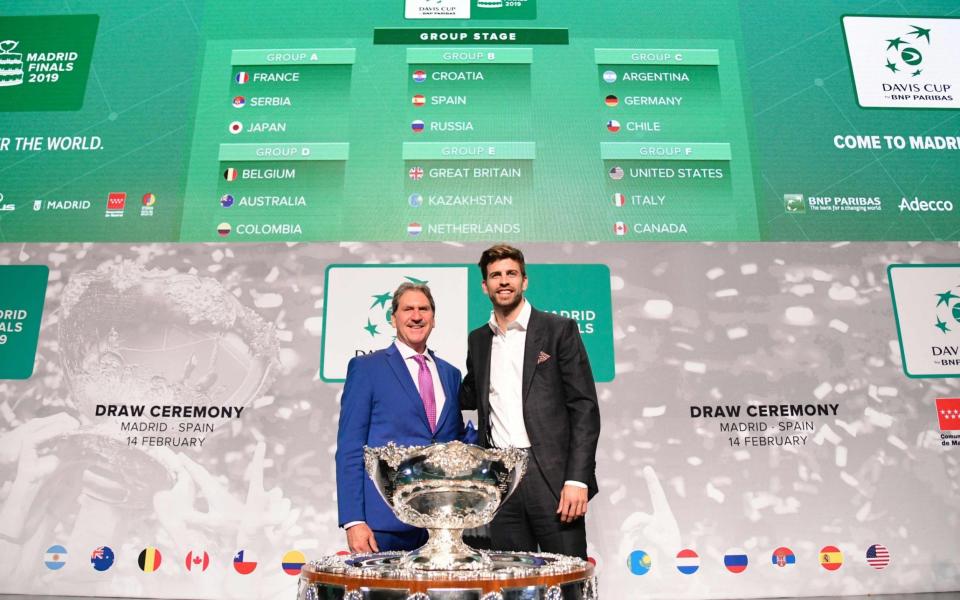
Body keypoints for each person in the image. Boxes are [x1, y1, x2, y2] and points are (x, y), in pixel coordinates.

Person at [460, 244, 600, 559]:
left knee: (567, 581)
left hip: (552, 476)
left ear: (525, 281)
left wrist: (577, 478)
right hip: (501, 477)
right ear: (485, 286)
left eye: (511, 273)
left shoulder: (558, 330)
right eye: (495, 275)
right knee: (513, 583)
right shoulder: (478, 340)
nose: (504, 281)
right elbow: (468, 394)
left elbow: (584, 409)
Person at [336, 282, 469, 553]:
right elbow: (350, 449)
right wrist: (354, 521)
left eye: (424, 309)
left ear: (433, 318)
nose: (416, 316)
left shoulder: (451, 374)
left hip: (439, 528)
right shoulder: (367, 369)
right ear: (393, 318)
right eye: (408, 309)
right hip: (381, 525)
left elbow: (454, 442)